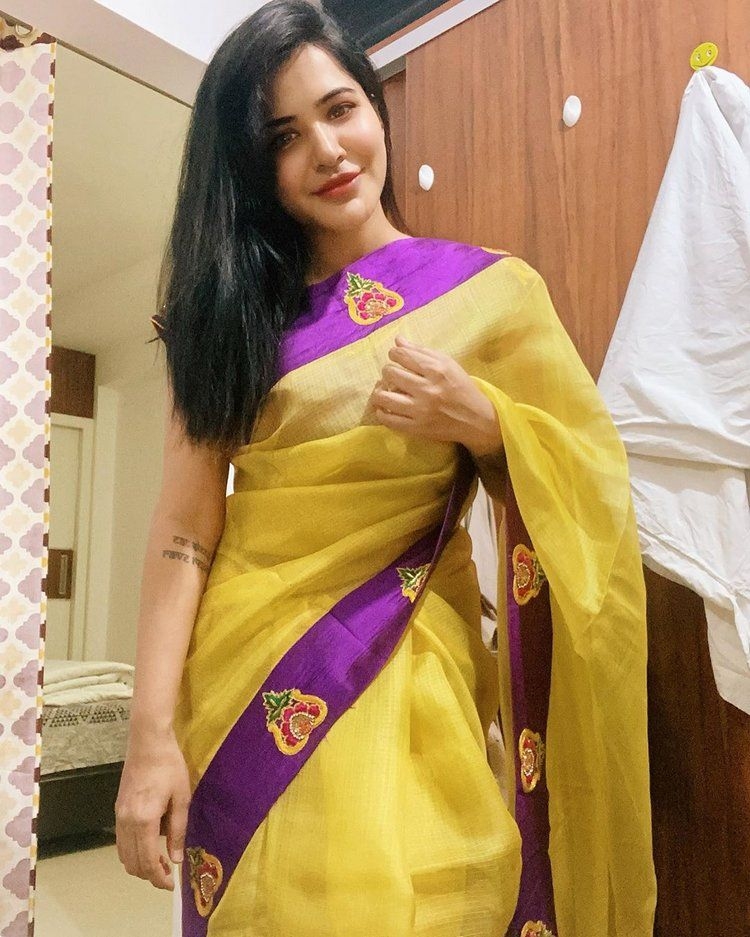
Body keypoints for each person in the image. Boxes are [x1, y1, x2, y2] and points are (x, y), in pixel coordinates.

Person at [115, 2, 656, 935]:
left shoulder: (493, 293)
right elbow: (185, 529)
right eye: (284, 137)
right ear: (252, 167)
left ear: (376, 108)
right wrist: (149, 734)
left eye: (340, 110)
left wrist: (488, 423)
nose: (327, 150)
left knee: (445, 893)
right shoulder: (229, 321)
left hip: (413, 670)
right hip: (247, 677)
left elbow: (591, 478)